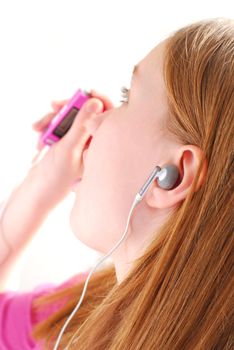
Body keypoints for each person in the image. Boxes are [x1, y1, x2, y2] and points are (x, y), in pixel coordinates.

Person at [0, 17, 233, 349]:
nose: (93, 118)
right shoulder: (87, 314)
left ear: (173, 175)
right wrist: (41, 184)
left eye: (127, 97)